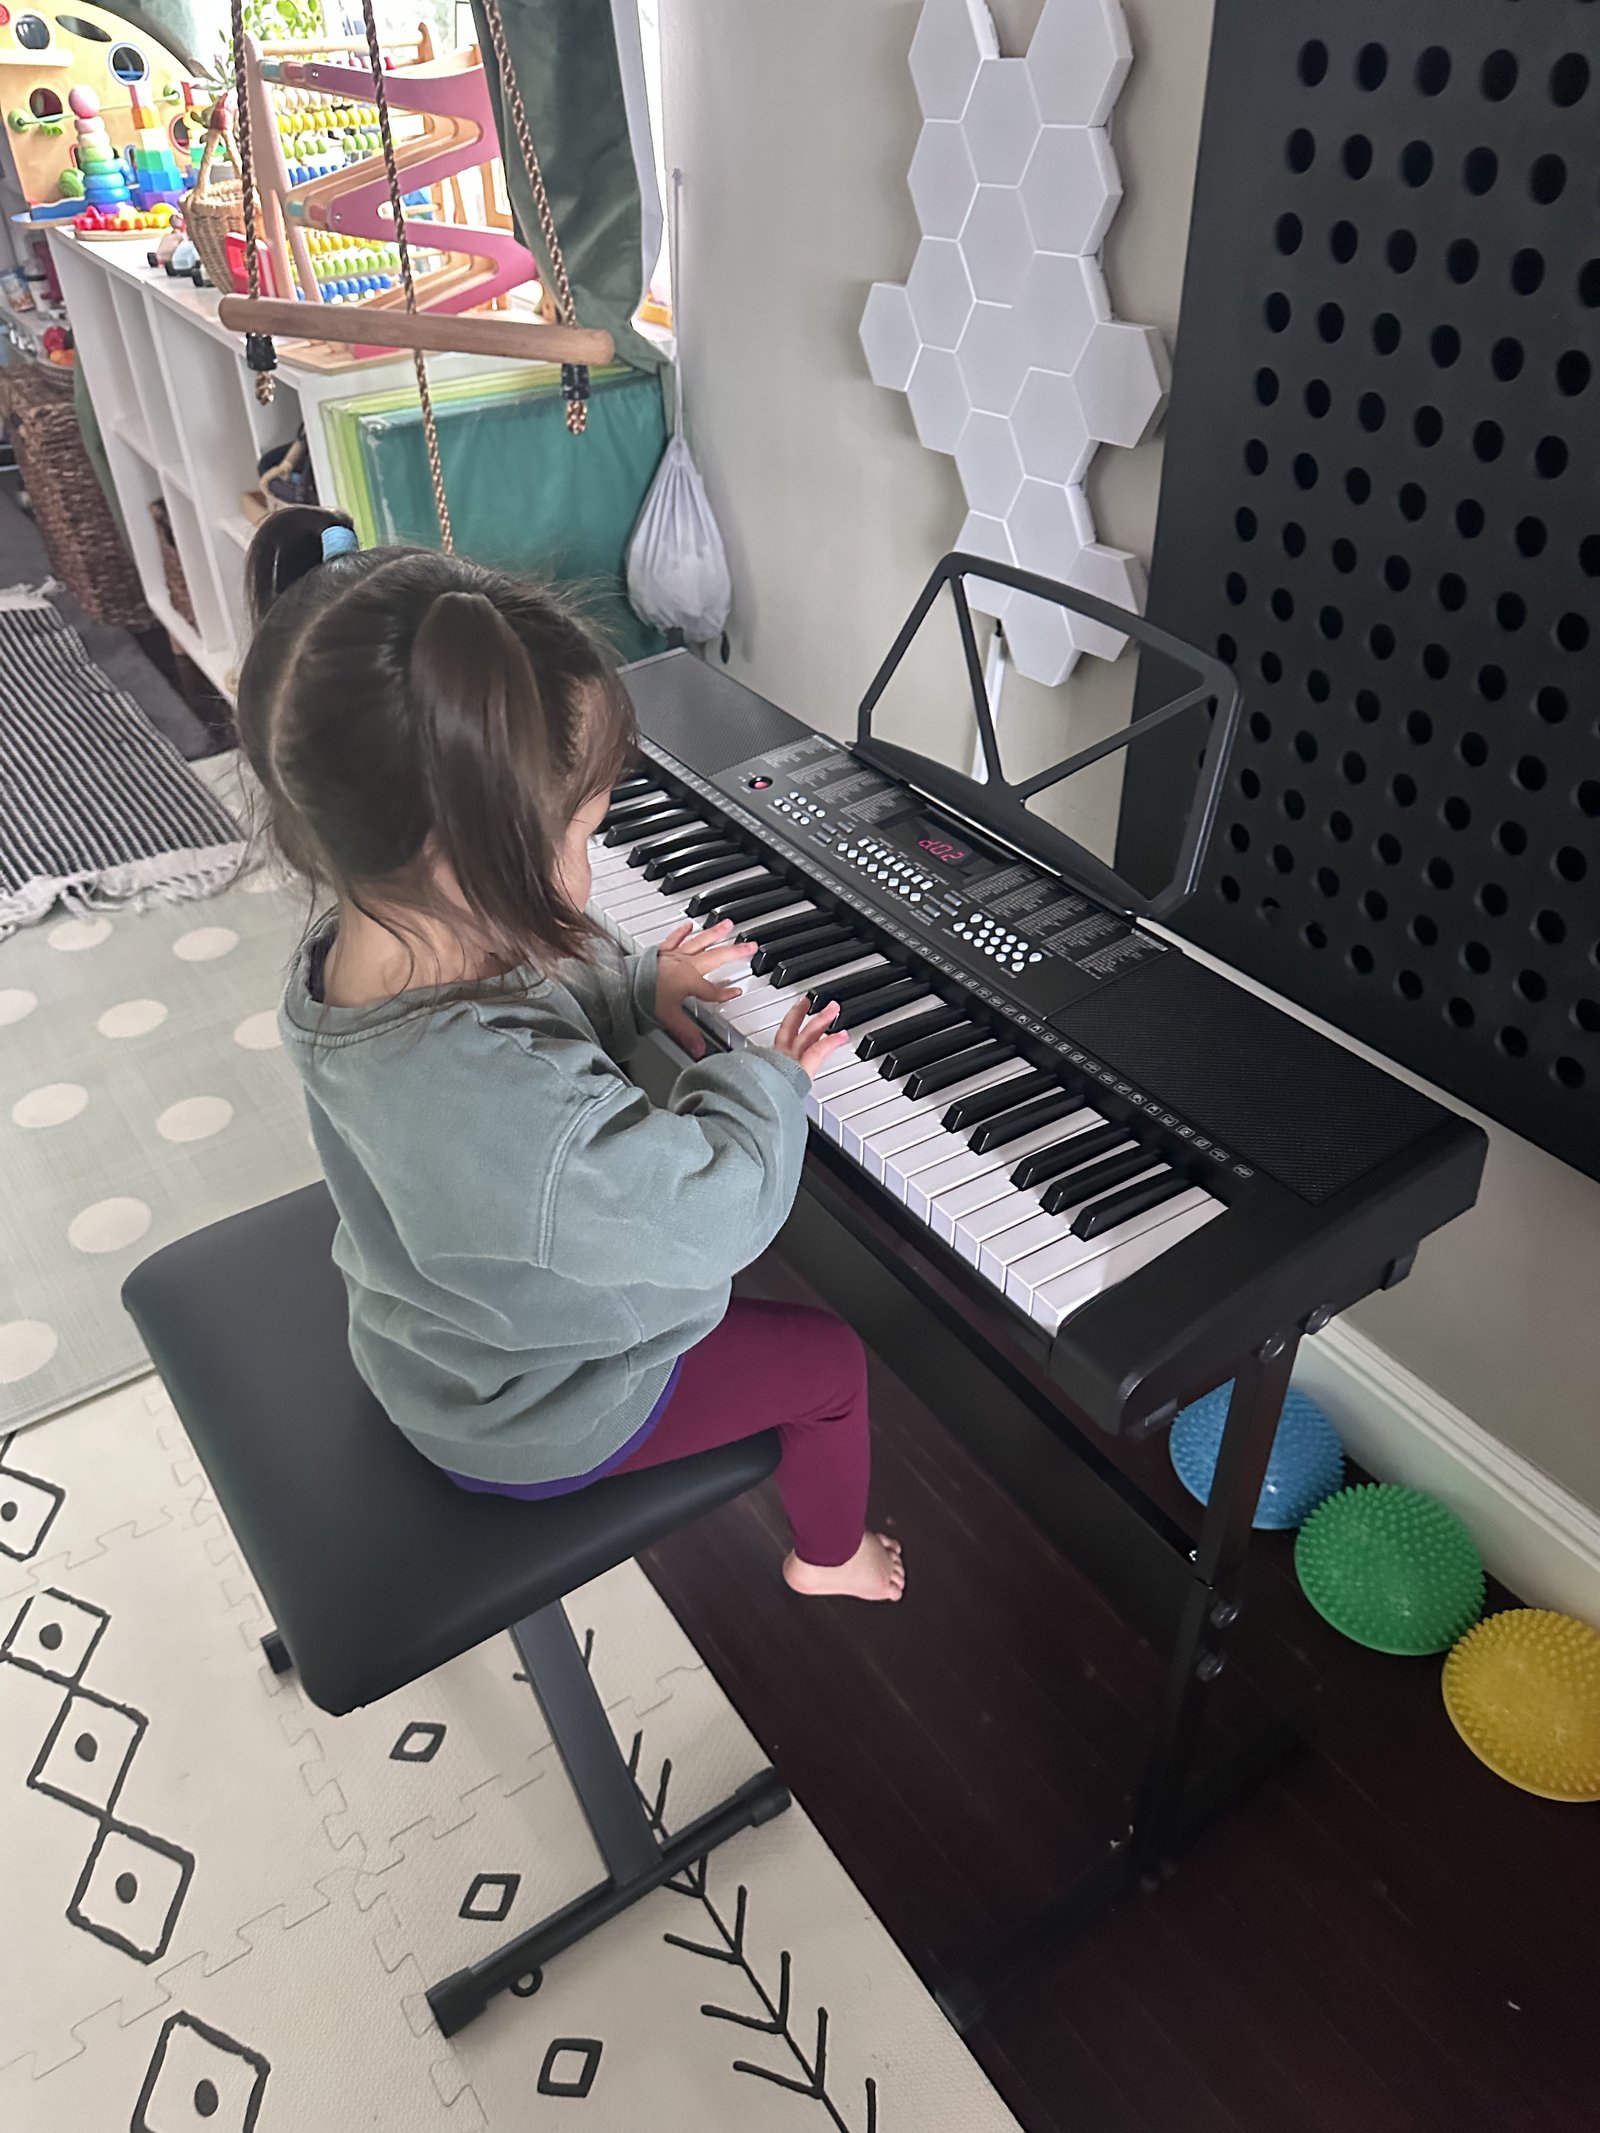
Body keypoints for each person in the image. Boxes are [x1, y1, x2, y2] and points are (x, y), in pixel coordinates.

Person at [236, 508, 905, 1603]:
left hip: (433, 1341)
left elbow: (525, 999)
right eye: (586, 833)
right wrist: (763, 1078)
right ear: (469, 860)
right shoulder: (514, 1113)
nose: (591, 869)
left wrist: (637, 986)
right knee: (827, 1364)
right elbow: (718, 1216)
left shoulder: (360, 951)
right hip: (538, 1415)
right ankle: (827, 1559)